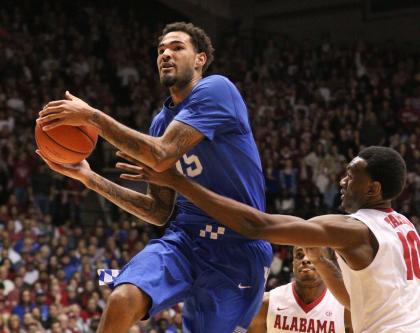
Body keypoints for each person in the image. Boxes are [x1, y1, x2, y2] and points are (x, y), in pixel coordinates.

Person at [36, 22, 272, 333]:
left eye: (177, 47)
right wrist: (90, 179)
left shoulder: (218, 89)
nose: (166, 54)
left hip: (237, 247)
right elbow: (158, 211)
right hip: (185, 238)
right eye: (161, 50)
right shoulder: (160, 123)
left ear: (200, 59)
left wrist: (92, 116)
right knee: (122, 298)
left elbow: (162, 153)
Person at [118, 146, 420, 332]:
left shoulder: (353, 229)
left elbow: (255, 225)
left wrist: (176, 182)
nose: (342, 180)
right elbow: (357, 302)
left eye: (352, 175)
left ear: (373, 189)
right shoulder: (404, 226)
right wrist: (318, 258)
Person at [248, 246, 351, 333]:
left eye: (314, 255)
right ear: (293, 263)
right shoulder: (266, 303)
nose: (305, 259)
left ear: (330, 263)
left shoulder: (346, 308)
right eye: (299, 255)